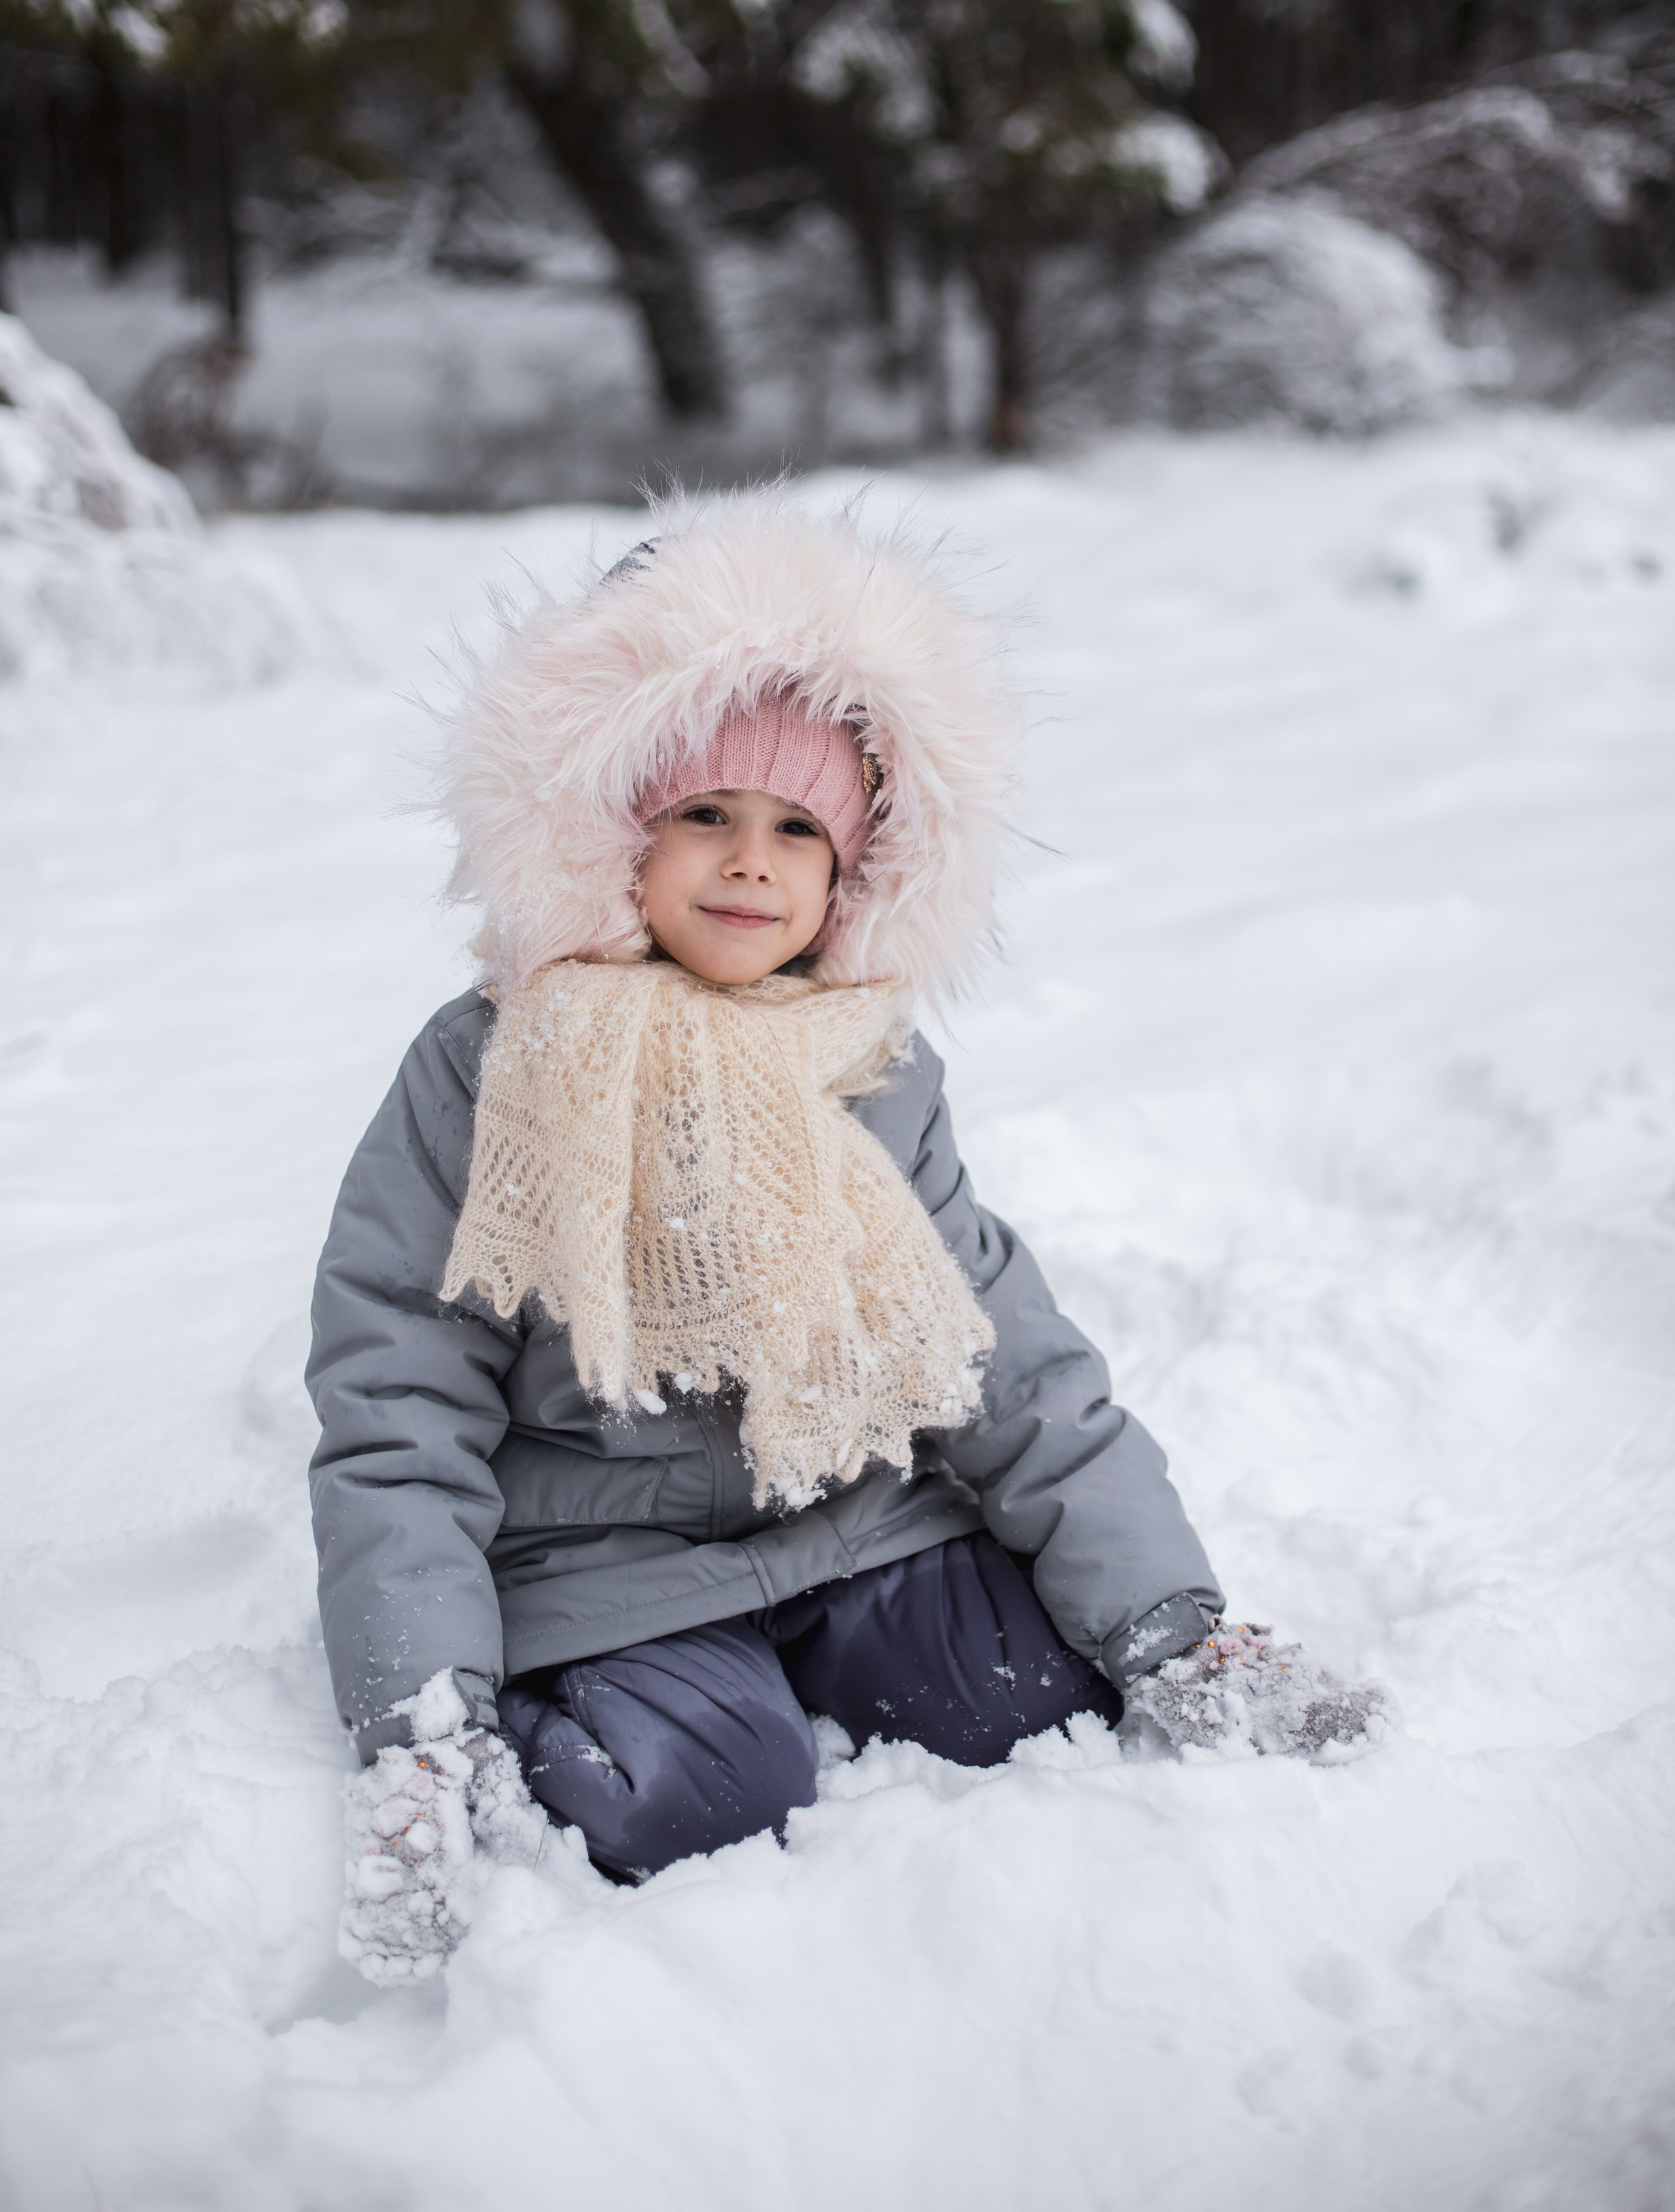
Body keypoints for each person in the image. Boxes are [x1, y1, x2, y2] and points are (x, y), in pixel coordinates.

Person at [309, 490, 1379, 1986]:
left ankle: (913, 1648)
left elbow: (997, 1345)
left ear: (852, 873)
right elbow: (397, 1394)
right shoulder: (496, 1065)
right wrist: (424, 1717)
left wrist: (1165, 1626)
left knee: (1029, 1694)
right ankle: (632, 1715)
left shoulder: (864, 1064)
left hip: (849, 1516)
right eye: (704, 813)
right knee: (700, 1794)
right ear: (609, 829)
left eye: (797, 828)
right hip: (605, 1561)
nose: (749, 862)